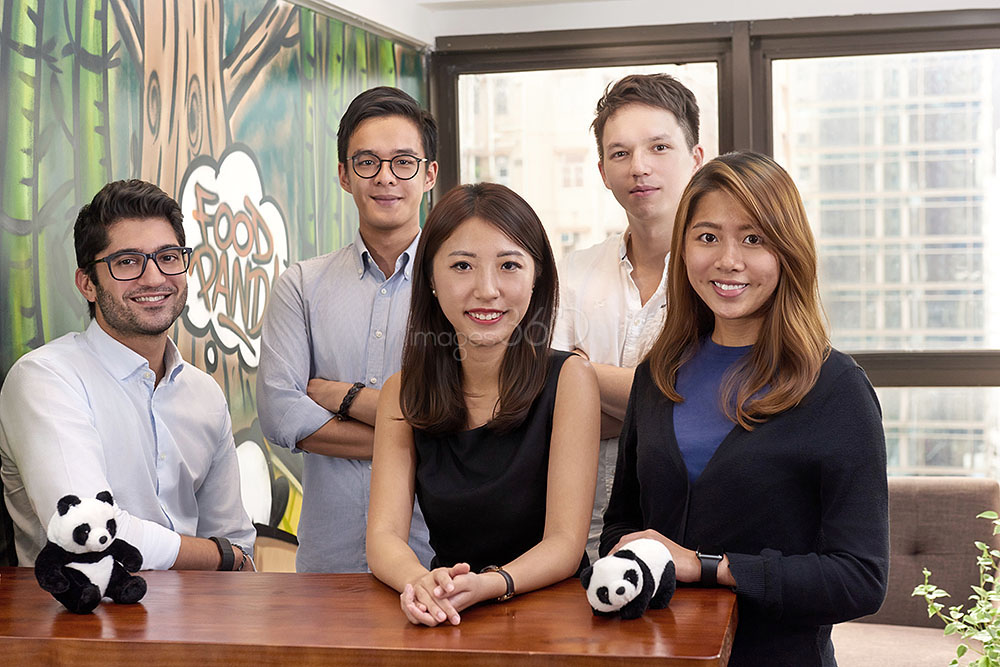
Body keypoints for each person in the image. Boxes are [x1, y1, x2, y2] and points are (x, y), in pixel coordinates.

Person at [600, 152, 888, 665]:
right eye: (707, 237)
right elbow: (622, 528)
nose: (728, 260)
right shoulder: (657, 375)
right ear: (683, 249)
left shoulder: (836, 388)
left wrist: (708, 567)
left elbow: (860, 579)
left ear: (787, 251)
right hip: (656, 655)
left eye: (753, 239)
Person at [366, 183, 600, 626]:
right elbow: (383, 536)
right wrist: (420, 582)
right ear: (430, 279)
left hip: (552, 618)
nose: (487, 290)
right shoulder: (402, 391)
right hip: (448, 612)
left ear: (537, 276)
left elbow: (565, 544)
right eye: (462, 266)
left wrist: (491, 583)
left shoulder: (571, 379)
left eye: (509, 265)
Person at [0, 179, 255, 571]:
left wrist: (229, 556)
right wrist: (221, 556)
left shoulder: (204, 394)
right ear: (88, 284)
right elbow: (88, 531)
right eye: (127, 262)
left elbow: (236, 541)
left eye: (168, 256)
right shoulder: (45, 379)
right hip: (82, 609)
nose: (154, 278)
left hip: (200, 609)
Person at [257, 87, 437, 572]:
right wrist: (423, 441)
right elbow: (281, 413)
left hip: (436, 562)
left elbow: (463, 416)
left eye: (403, 162)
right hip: (327, 564)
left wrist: (340, 395)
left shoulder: (458, 287)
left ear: (428, 175)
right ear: (344, 174)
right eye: (367, 162)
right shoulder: (301, 286)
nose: (385, 177)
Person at [554, 74, 704, 559]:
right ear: (602, 170)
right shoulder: (571, 272)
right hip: (576, 541)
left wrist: (577, 373)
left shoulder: (722, 278)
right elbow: (537, 400)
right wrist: (659, 401)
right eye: (620, 153)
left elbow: (704, 408)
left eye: (659, 147)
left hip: (691, 542)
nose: (639, 167)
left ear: (696, 158)